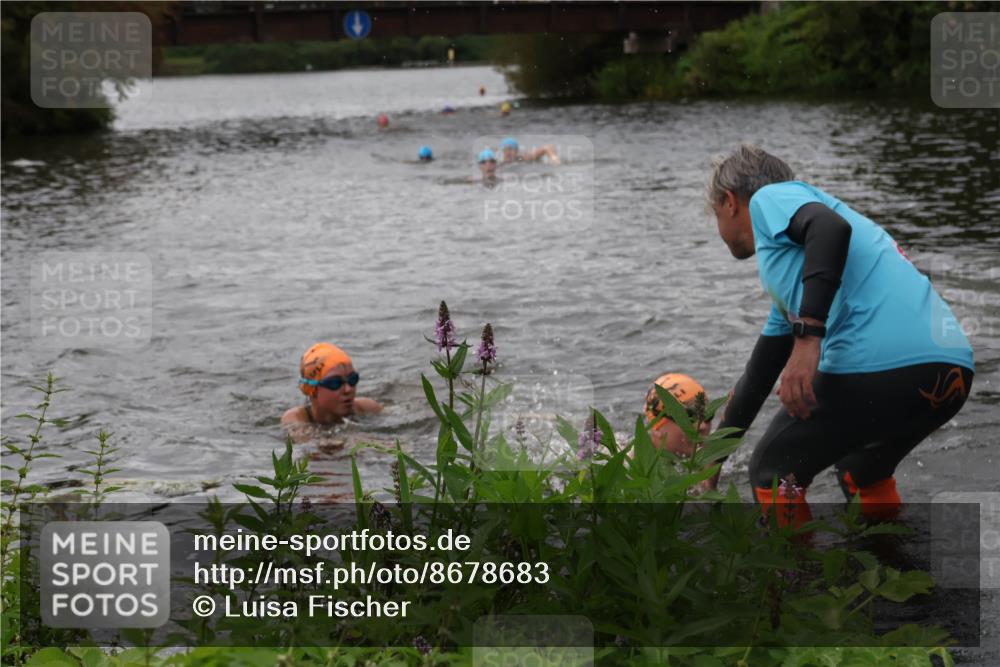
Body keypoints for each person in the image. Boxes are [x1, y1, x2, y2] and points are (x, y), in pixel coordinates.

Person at [707, 144, 974, 524]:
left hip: (885, 364)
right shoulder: (800, 283)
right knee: (861, 469)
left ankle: (796, 580)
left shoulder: (769, 198)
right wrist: (711, 461)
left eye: (714, 213)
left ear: (730, 202)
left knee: (772, 471)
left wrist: (808, 337)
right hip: (950, 368)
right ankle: (890, 572)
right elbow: (758, 377)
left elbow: (830, 228)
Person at [282, 342, 382, 437]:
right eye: (335, 383)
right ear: (313, 390)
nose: (348, 389)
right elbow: (310, 443)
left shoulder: (367, 408)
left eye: (352, 379)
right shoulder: (296, 418)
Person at [644, 373, 711, 457]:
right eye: (689, 418)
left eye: (707, 413)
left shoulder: (719, 456)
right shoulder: (629, 465)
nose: (702, 426)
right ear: (656, 425)